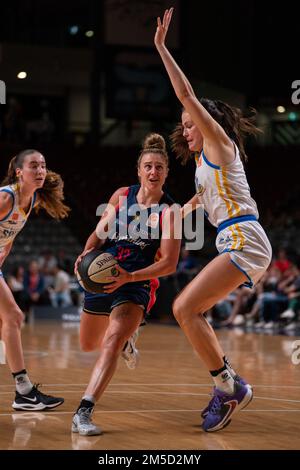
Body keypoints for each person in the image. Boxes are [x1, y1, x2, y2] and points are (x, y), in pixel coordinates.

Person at [154, 9, 272, 432]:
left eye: (190, 124)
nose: (185, 131)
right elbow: (200, 201)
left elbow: (186, 94)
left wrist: (162, 49)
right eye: (183, 127)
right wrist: (170, 217)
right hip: (236, 239)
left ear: (207, 122)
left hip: (244, 237)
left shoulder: (221, 145)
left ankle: (229, 386)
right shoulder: (207, 167)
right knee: (191, 311)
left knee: (184, 307)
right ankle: (227, 384)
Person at [72, 133, 181, 435]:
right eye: (148, 166)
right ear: (139, 170)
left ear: (167, 172)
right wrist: (84, 255)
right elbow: (99, 235)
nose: (153, 172)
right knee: (88, 344)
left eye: (159, 167)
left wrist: (130, 277)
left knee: (112, 340)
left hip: (136, 282)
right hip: (103, 276)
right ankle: (126, 337)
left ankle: (83, 411)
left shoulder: (171, 212)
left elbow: (169, 263)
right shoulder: (122, 195)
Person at [0, 149, 70, 410]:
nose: (40, 170)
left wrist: (4, 252)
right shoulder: (6, 198)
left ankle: (24, 392)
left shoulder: (32, 200)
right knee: (13, 317)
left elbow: (9, 235)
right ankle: (24, 391)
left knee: (14, 318)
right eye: (33, 166)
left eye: (42, 165)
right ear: (19, 172)